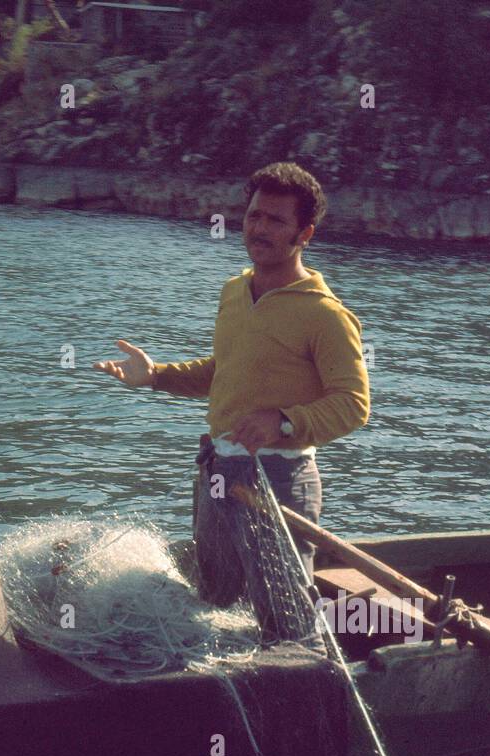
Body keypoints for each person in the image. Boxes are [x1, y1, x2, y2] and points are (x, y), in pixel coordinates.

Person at [93, 161, 370, 627]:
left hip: (280, 481)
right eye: (254, 216)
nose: (259, 228)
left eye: (276, 221)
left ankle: (296, 683)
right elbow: (223, 372)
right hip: (217, 470)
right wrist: (156, 376)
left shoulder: (325, 314)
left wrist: (281, 419)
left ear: (305, 235)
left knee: (284, 618)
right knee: (215, 606)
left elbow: (353, 404)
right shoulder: (234, 291)